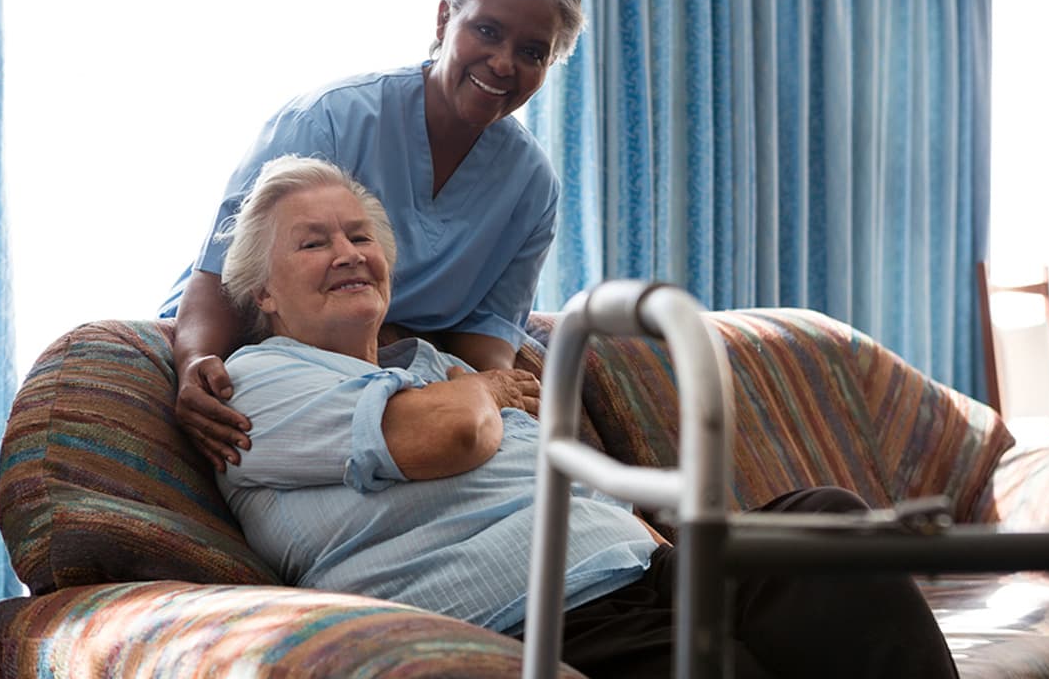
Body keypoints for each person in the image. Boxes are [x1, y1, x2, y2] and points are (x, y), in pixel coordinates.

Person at [215, 155, 961, 679]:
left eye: (359, 236)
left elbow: (567, 482)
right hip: (532, 611)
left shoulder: (431, 367)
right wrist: (491, 390)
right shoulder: (258, 381)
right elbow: (447, 435)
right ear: (264, 293)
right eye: (313, 243)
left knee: (830, 530)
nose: (347, 253)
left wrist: (658, 546)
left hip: (642, 570)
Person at [161, 0, 584, 472]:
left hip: (405, 375)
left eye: (532, 52)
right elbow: (221, 270)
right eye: (487, 31)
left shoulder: (532, 185)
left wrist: (488, 393)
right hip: (277, 351)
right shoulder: (328, 120)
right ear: (445, 19)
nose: (502, 62)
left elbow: (488, 338)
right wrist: (193, 362)